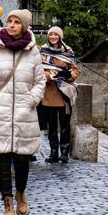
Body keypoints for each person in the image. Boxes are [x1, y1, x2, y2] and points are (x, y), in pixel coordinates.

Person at [0, 9, 45, 215]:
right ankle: (7, 202)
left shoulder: (33, 51)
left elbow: (40, 81)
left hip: (25, 112)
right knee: (3, 159)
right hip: (1, 111)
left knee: (22, 158)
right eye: (10, 21)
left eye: (17, 22)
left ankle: (21, 192)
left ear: (24, 26)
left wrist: (31, 100)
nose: (12, 25)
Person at [38, 26, 79, 164]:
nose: (53, 37)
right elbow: (37, 70)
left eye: (56, 34)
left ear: (60, 37)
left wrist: (68, 75)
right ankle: (53, 152)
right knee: (52, 126)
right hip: (49, 91)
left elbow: (75, 70)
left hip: (64, 93)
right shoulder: (42, 52)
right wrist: (49, 76)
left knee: (65, 125)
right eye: (51, 34)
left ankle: (64, 153)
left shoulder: (68, 52)